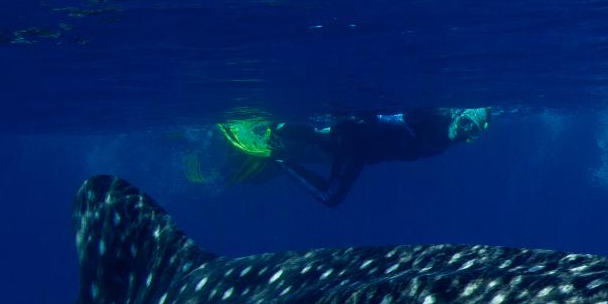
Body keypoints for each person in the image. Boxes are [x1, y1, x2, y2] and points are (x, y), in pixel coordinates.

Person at [208, 108, 490, 207]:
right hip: (357, 140)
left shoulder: (444, 141)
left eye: (472, 132)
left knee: (316, 138)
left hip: (364, 149)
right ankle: (276, 157)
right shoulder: (435, 117)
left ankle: (275, 131)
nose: (465, 132)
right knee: (329, 194)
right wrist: (352, 123)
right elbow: (390, 120)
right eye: (466, 123)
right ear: (459, 114)